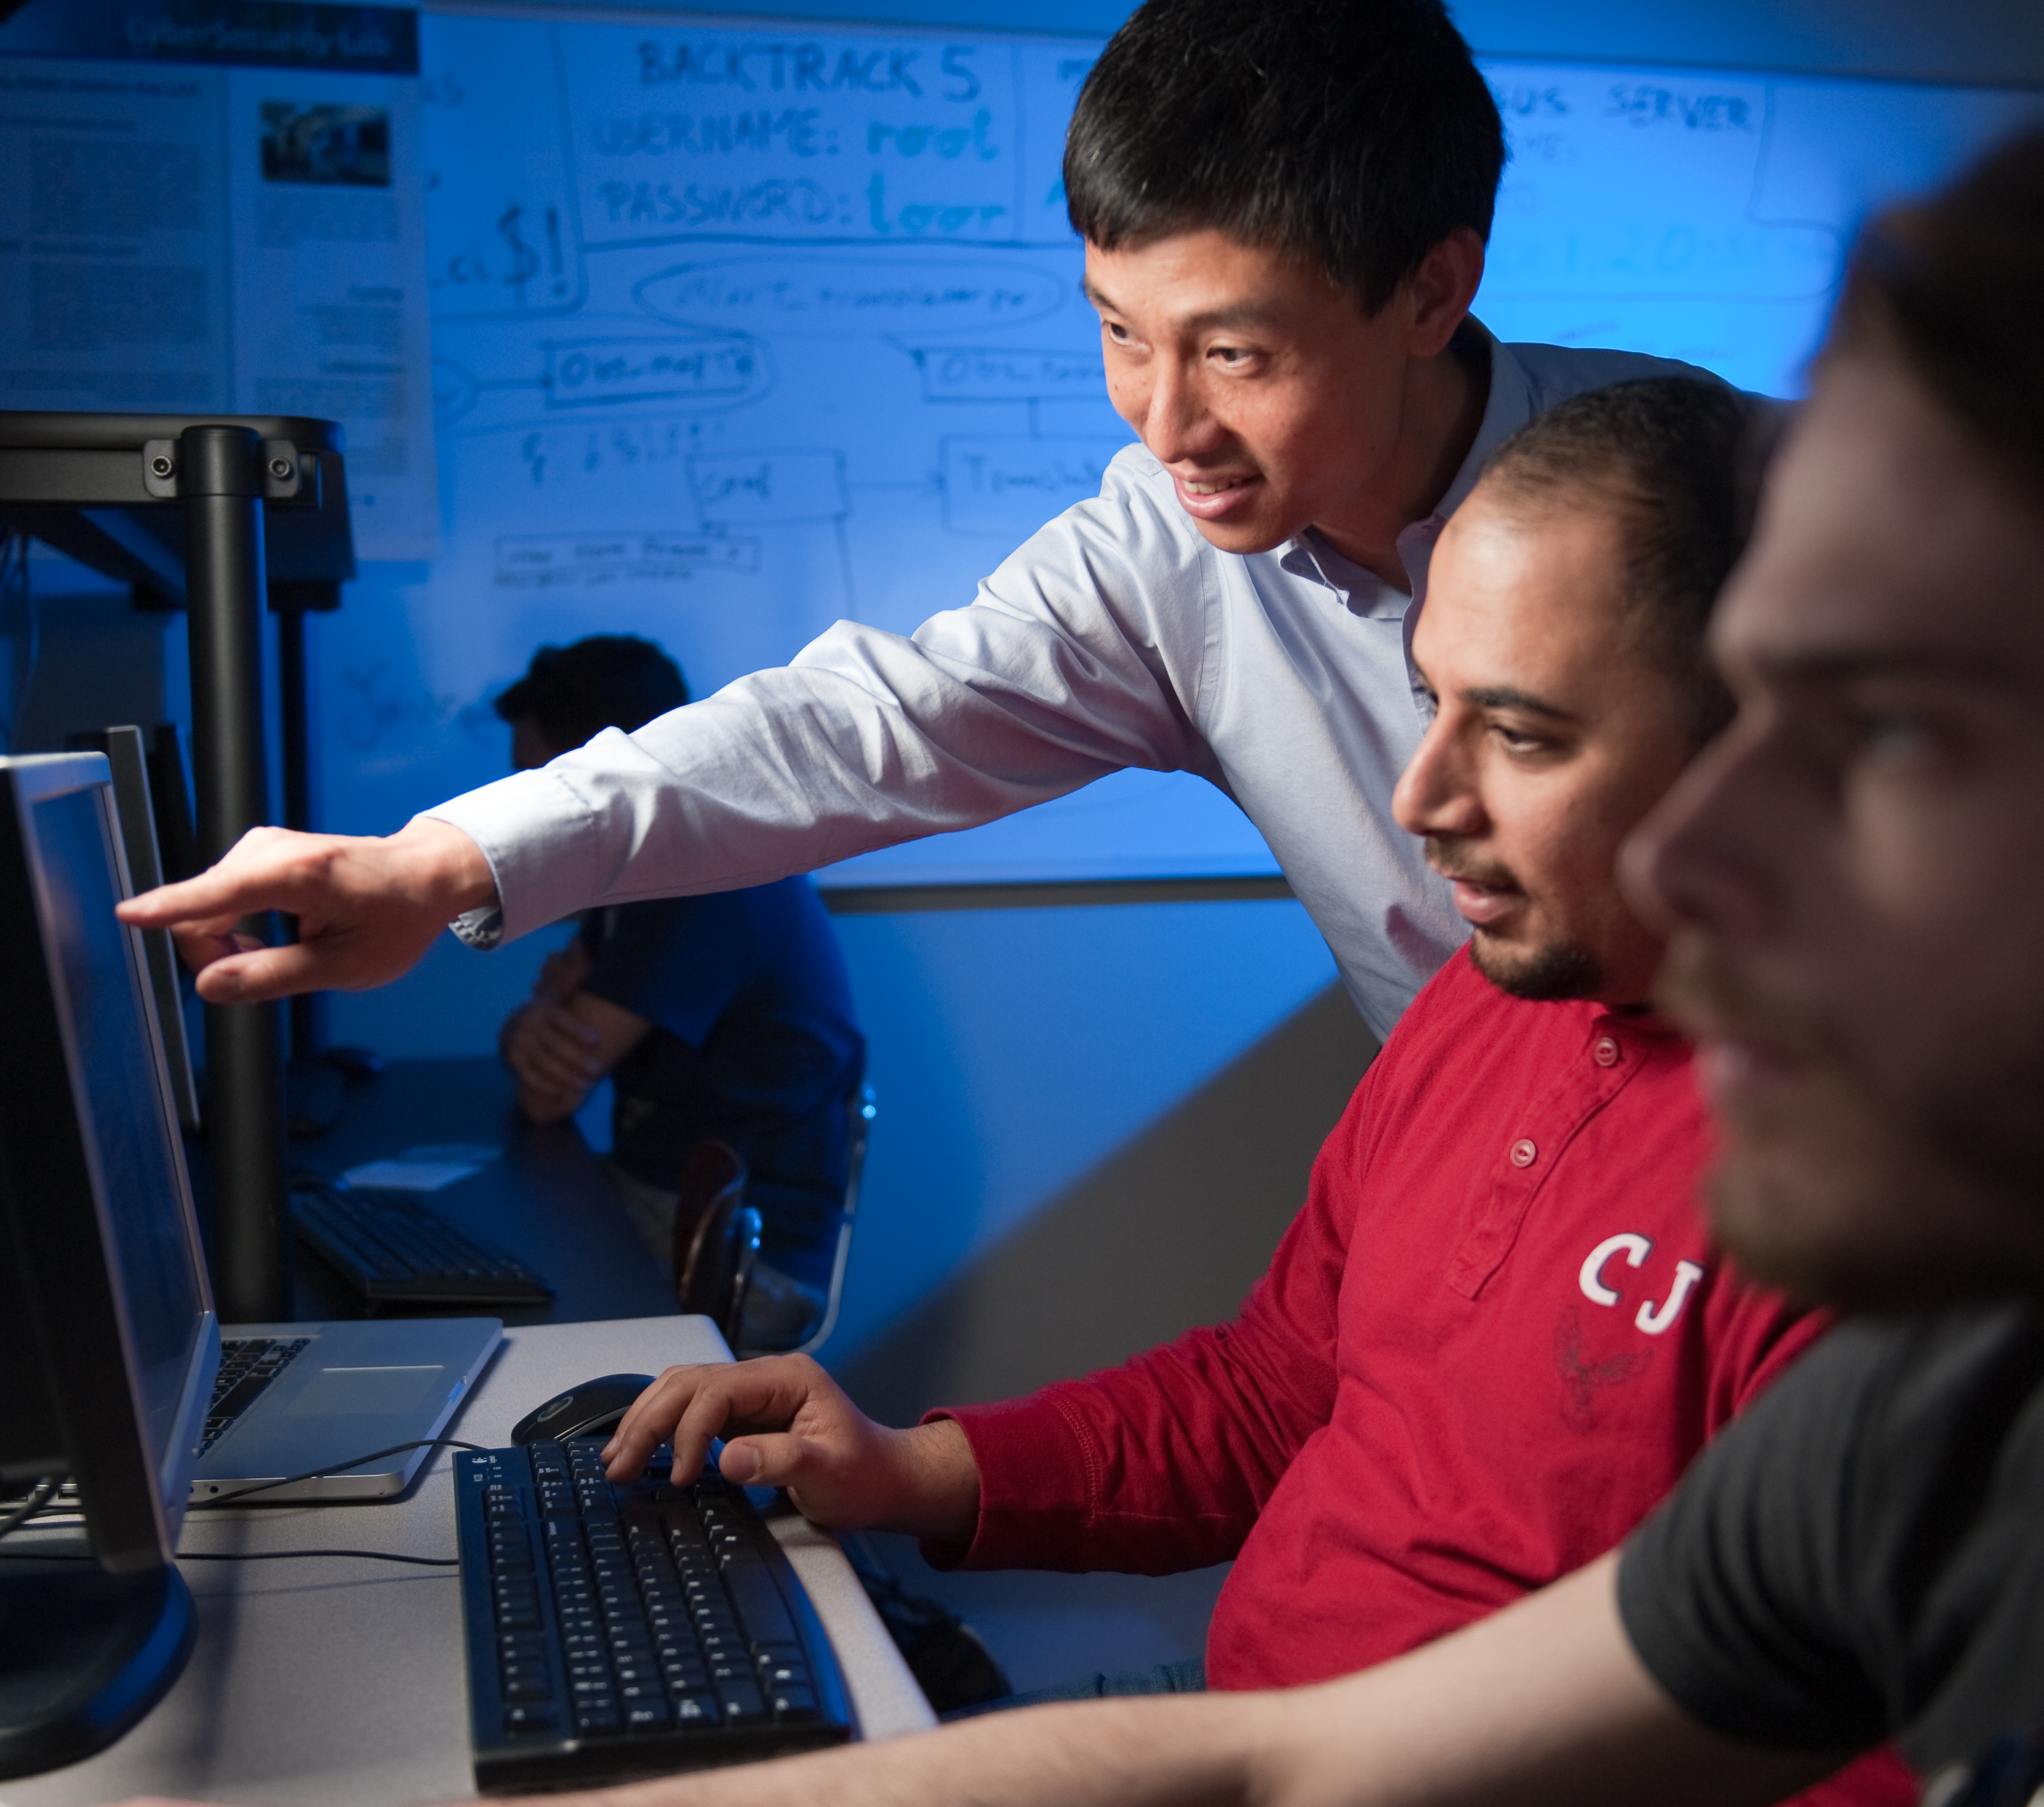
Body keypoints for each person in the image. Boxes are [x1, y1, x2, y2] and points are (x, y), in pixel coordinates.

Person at [149, 91, 2044, 1807]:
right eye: (1118, 334)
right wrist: (453, 862)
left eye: (1883, 730)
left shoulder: (1924, 1335)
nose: (1696, 849)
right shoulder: (1958, 1446)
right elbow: (1285, 1743)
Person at [589, 383, 1902, 1801]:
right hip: (1245, 1717)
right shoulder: (1487, 999)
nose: (1418, 800)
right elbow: (1278, 1388)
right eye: (1429, 702)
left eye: (1520, 736)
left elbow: (1862, 1740)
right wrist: (909, 1470)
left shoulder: (1877, 1191)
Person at [119, 0, 1734, 1044]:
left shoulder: (1743, 494)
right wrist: (437, 860)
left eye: (1236, 354)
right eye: (1119, 331)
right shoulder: (1163, 553)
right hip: (1497, 1177)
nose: (1164, 423)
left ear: (1432, 292)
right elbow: (849, 728)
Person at [493, 636, 866, 1351]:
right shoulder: (644, 866)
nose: (512, 809)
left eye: (533, 781)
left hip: (749, 1255)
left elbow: (549, 1089)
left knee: (499, 1279)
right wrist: (530, 1025)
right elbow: (556, 1032)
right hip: (673, 1194)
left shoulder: (703, 879)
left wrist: (534, 1023)